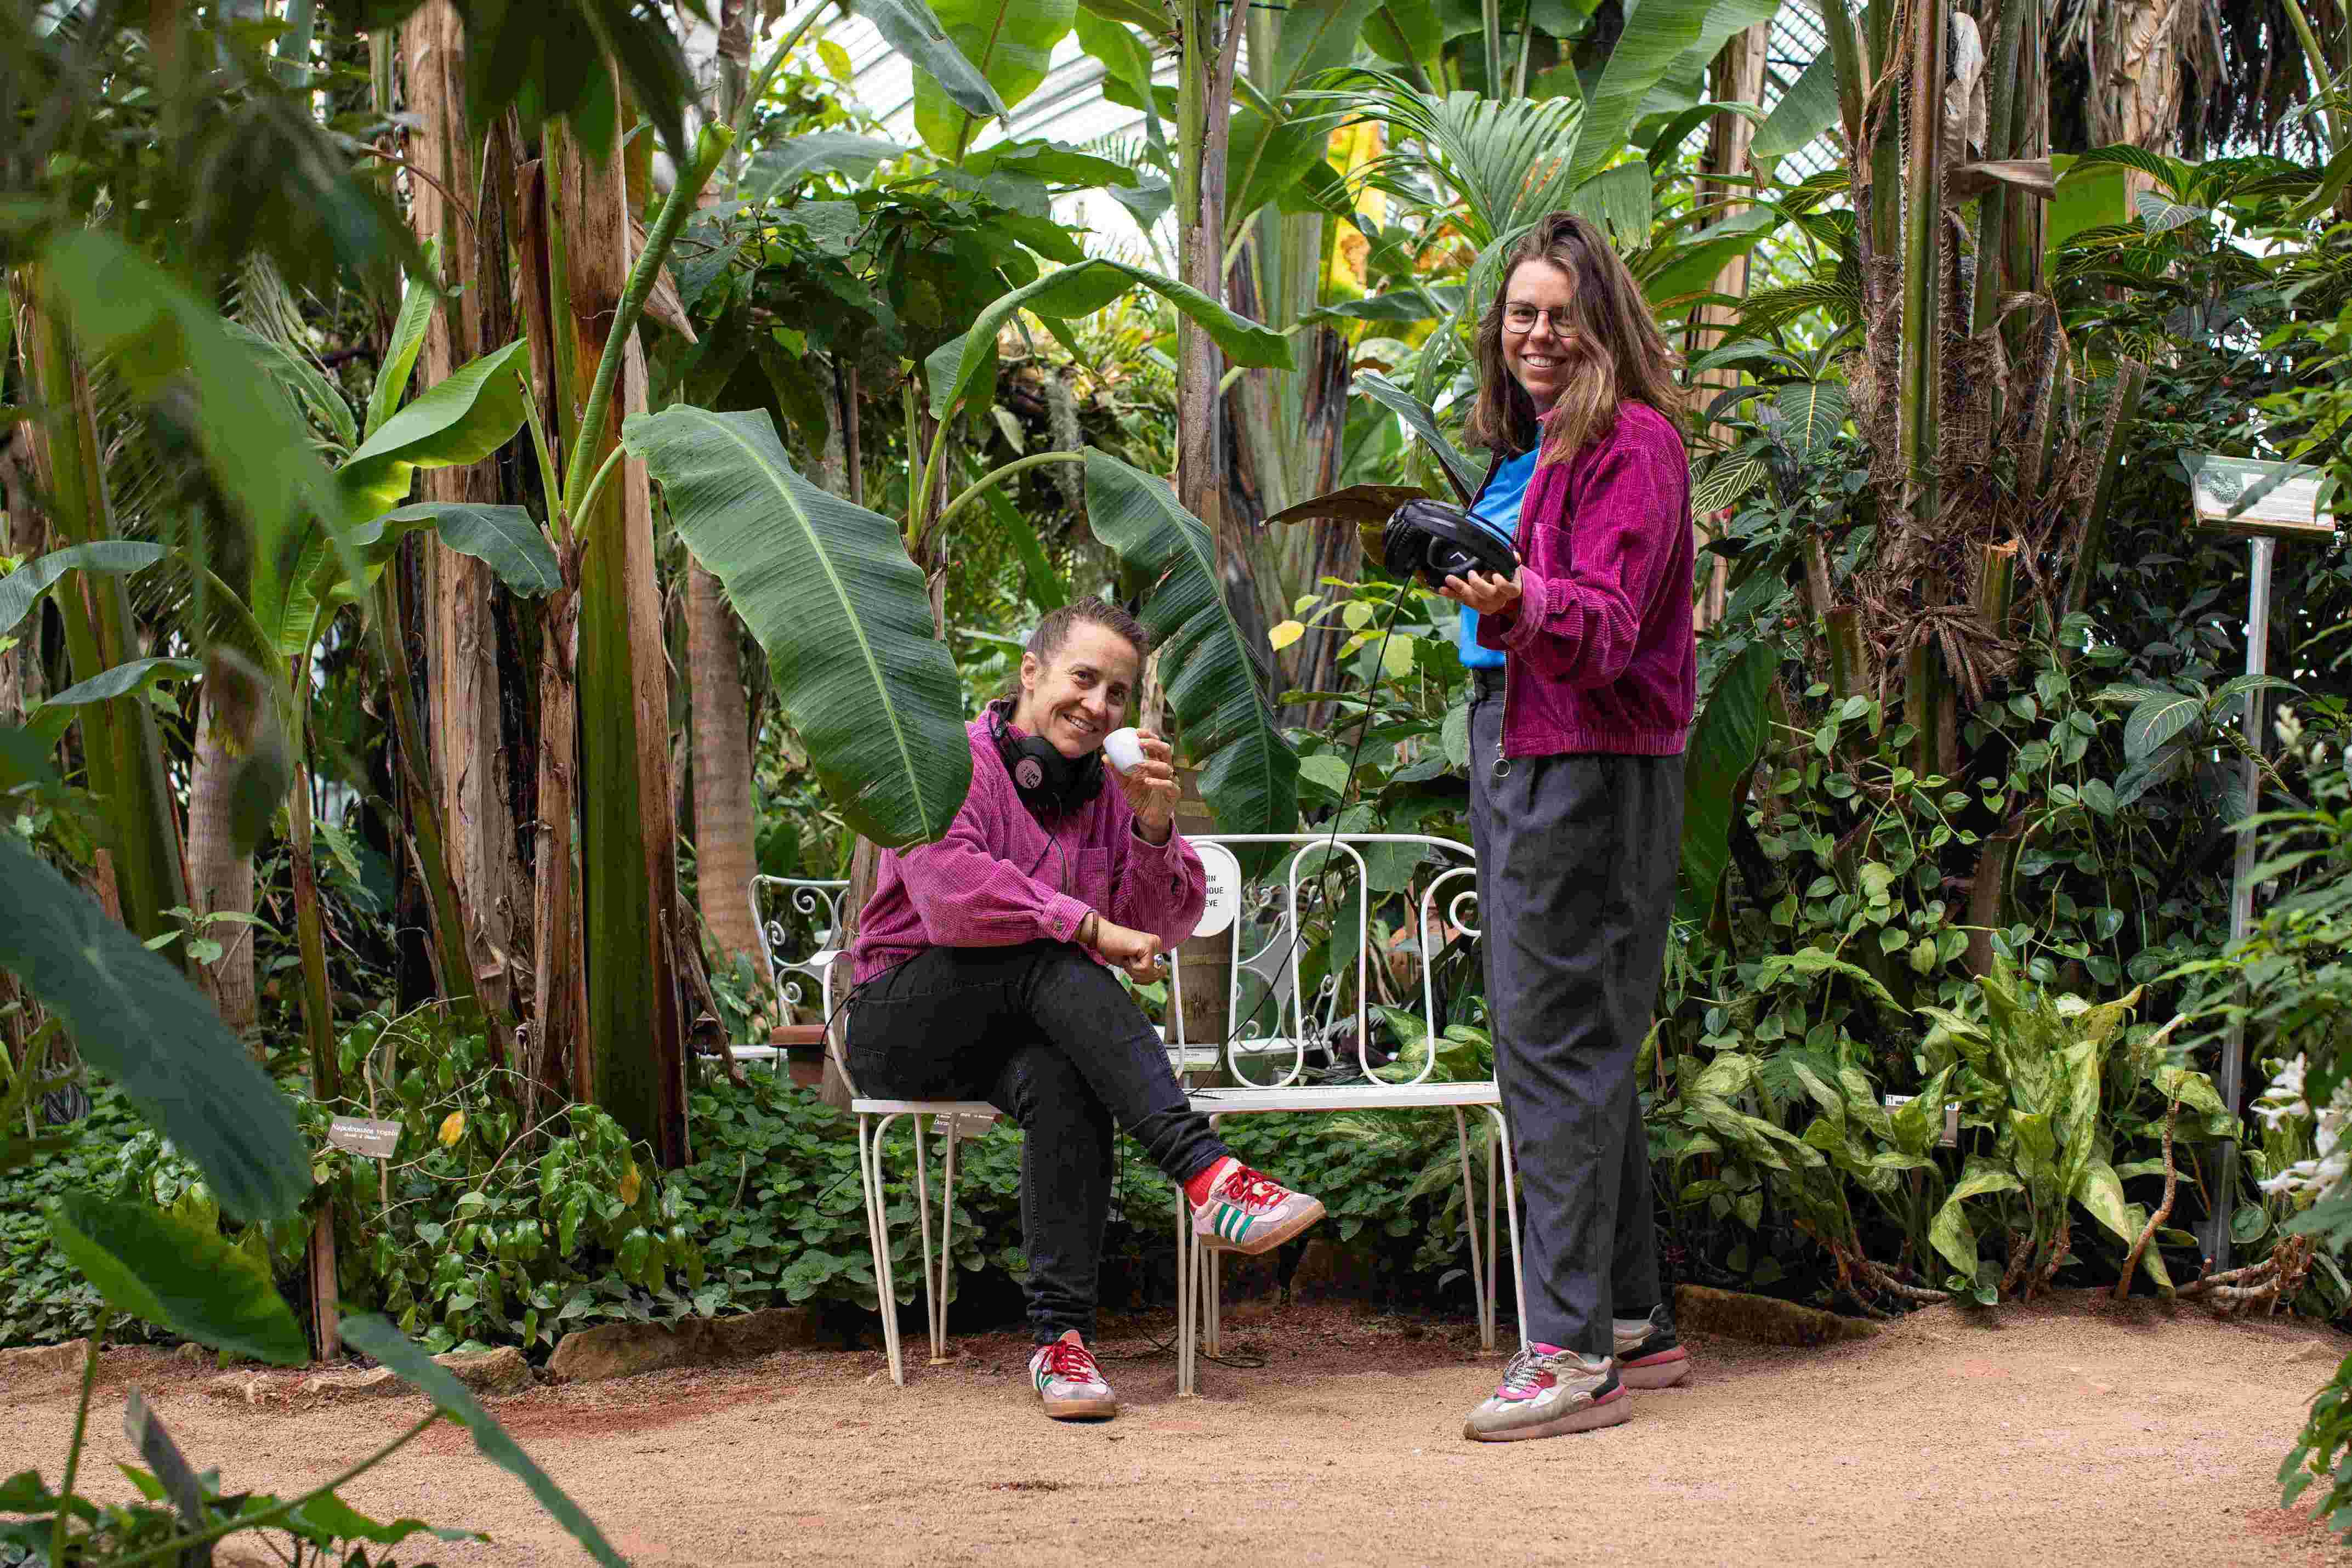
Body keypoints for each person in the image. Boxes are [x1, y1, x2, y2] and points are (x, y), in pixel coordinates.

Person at [845, 597, 1326, 1423]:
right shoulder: (947, 763)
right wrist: (1090, 926)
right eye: (1082, 678)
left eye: (1117, 692)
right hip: (900, 1018)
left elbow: (1165, 924)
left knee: (1064, 1075)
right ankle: (1206, 1172)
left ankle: (1060, 1343)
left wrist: (1151, 822)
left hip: (1015, 1031)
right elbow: (956, 903)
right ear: (1031, 673)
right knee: (1048, 948)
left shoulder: (1106, 792)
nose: (1097, 705)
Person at [1434, 212, 1697, 1442]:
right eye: (1520, 312)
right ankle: (1631, 1320)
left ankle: (1568, 1353)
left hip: (1582, 753)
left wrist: (1521, 597)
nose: (1536, 333)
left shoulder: (1633, 441)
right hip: (1527, 736)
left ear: (1605, 320)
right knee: (1580, 1034)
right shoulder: (1536, 442)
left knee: (1550, 1040)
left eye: (1559, 311)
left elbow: (1603, 618)